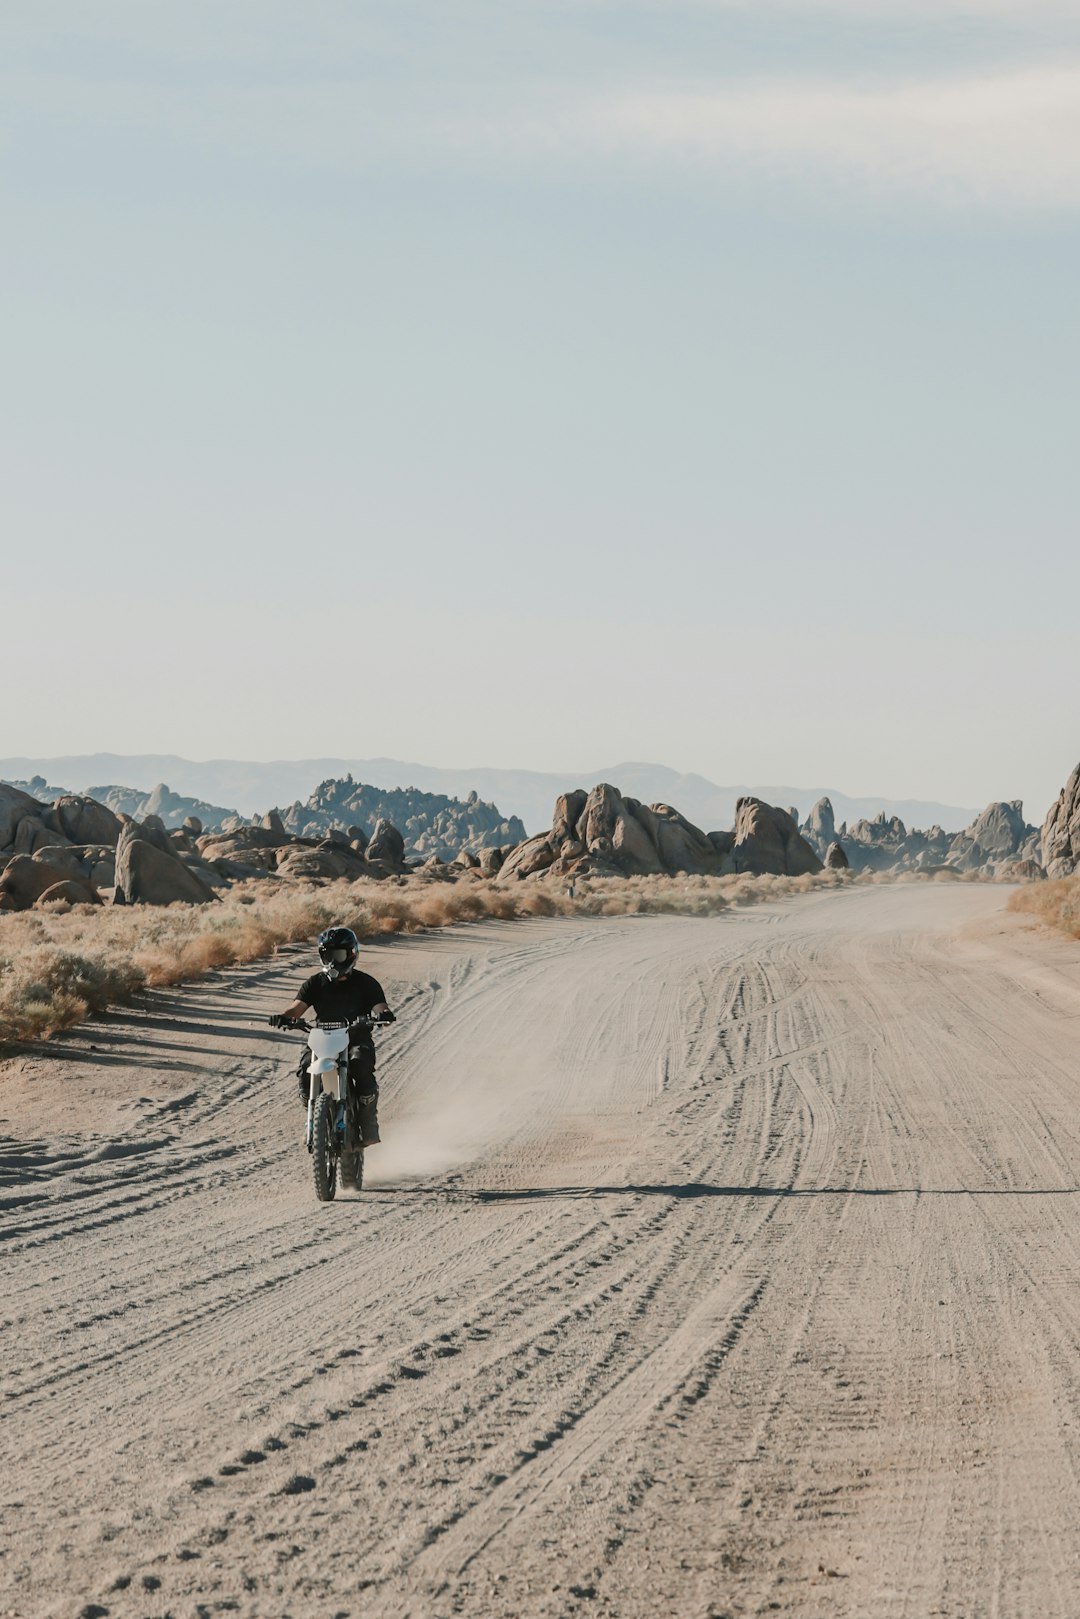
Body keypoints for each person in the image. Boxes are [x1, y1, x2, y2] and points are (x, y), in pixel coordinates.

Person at [269, 926, 394, 1148]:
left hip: (356, 1039)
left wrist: (382, 1014)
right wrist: (283, 1018)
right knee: (307, 1068)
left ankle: (368, 1123)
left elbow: (379, 1006)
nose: (333, 961)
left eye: (338, 955)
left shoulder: (366, 983)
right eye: (327, 955)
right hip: (323, 1038)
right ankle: (314, 1121)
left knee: (360, 1064)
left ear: (352, 954)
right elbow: (296, 1009)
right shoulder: (315, 983)